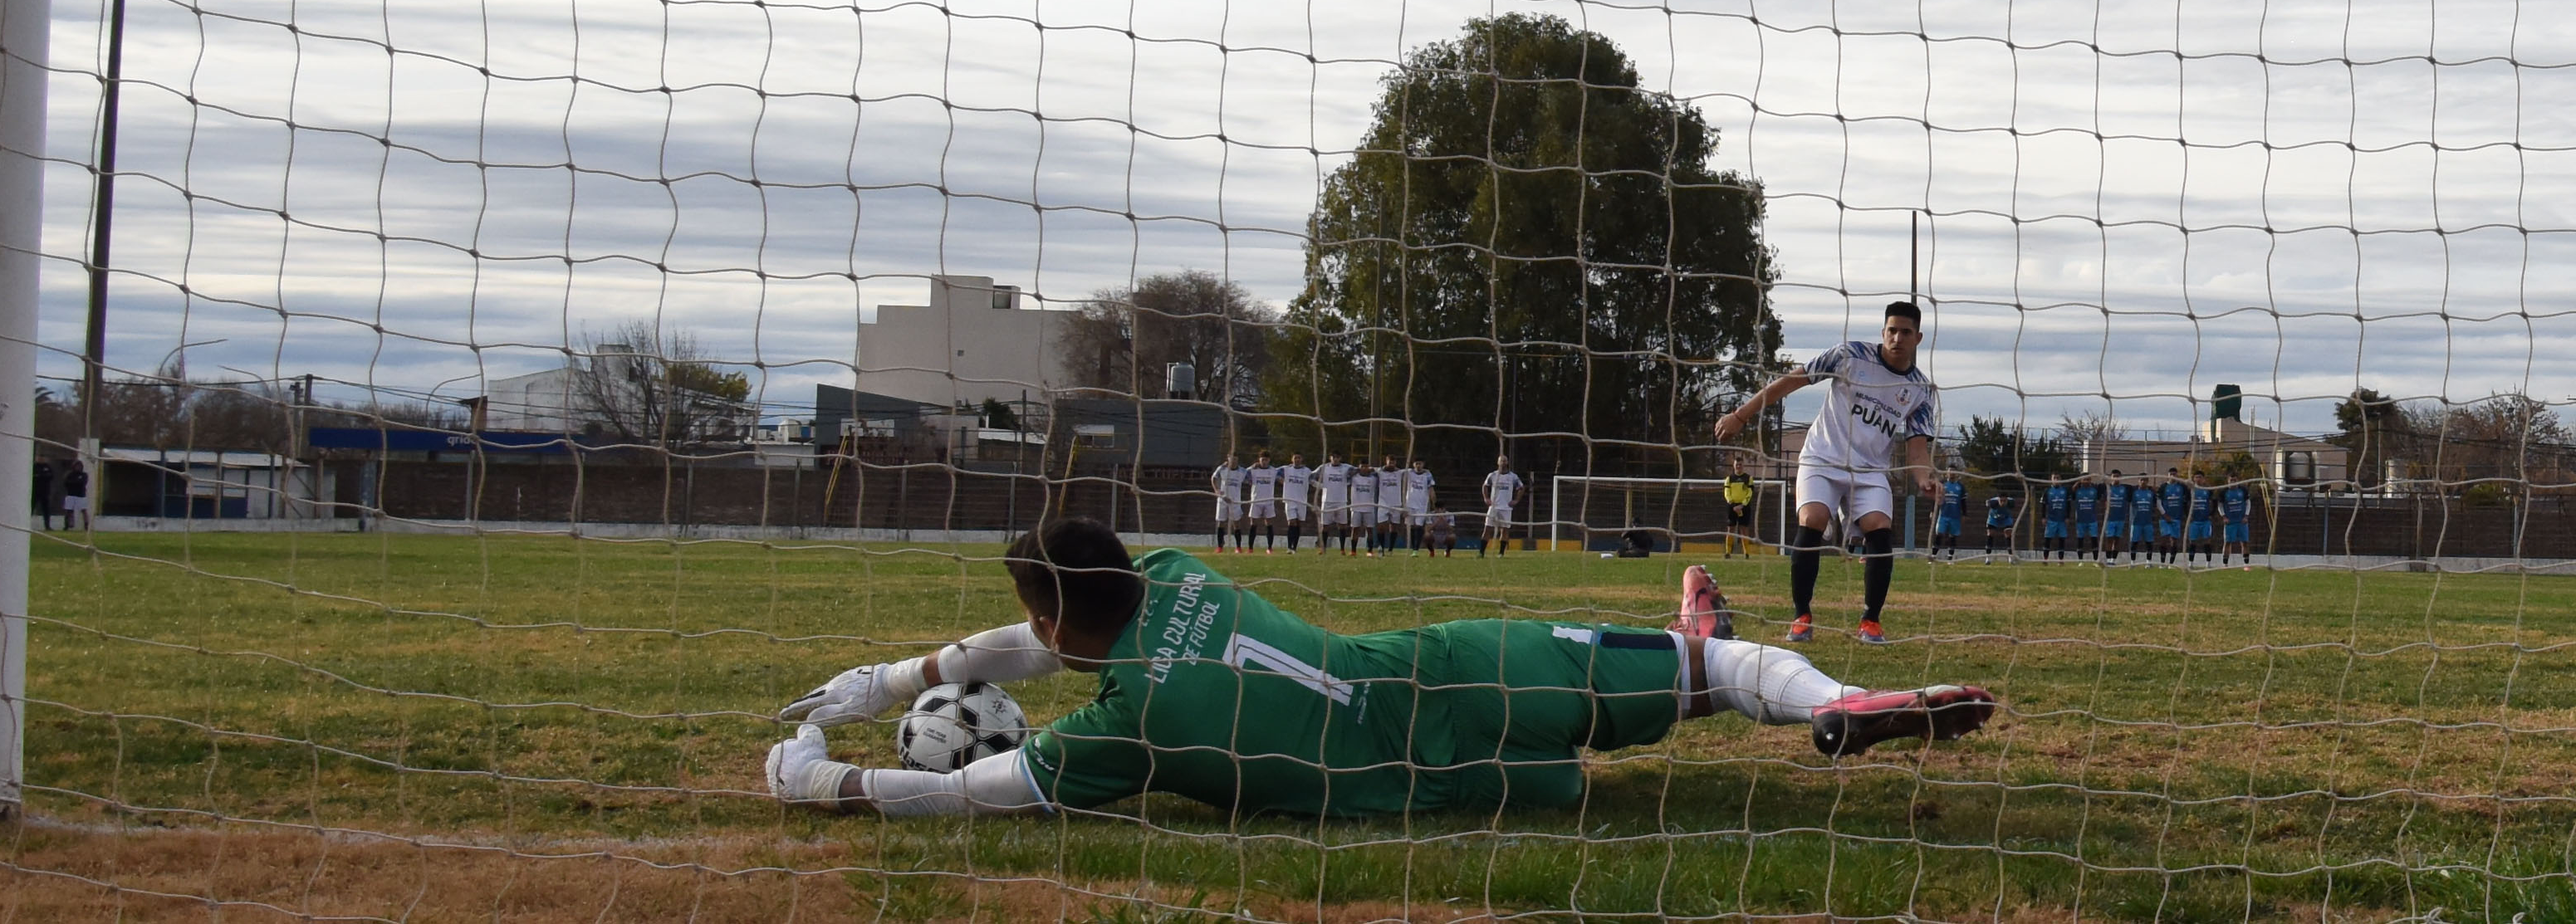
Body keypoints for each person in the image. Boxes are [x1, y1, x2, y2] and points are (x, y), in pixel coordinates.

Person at [768, 516, 1997, 819]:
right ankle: (1836, 703)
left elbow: (967, 791)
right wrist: (889, 677)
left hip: (1451, 784)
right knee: (1724, 669)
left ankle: (1689, 631)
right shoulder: (1182, 567)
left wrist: (825, 773)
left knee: (1640, 707)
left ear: (1056, 619)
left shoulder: (1123, 722)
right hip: (1451, 667)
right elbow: (1038, 635)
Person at [1712, 301, 1937, 645]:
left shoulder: (1921, 391)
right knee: (1813, 519)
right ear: (1883, 332)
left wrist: (1925, 478)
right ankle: (1802, 616)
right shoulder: (1849, 355)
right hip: (1822, 457)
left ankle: (1871, 622)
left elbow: (1918, 447)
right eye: (1891, 330)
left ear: (1918, 338)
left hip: (1870, 470)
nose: (1897, 338)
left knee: (1879, 528)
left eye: (1905, 332)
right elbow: (1790, 381)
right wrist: (1741, 415)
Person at [1481, 456, 1524, 557]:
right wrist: (1486, 498)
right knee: (1487, 528)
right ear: (1498, 462)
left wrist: (1516, 500)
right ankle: (1481, 552)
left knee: (1504, 530)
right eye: (1501, 460)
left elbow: (1521, 487)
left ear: (1507, 462)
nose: (1503, 462)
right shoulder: (1492, 475)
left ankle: (1501, 553)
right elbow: (1485, 486)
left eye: (1505, 460)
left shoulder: (1513, 477)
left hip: (1506, 508)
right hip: (1494, 507)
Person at [1316, 453, 1354, 552]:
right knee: (1325, 526)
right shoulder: (1324, 468)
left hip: (1341, 501)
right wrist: (1320, 486)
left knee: (1342, 525)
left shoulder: (1346, 467)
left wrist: (1348, 482)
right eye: (1334, 457)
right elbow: (1311, 476)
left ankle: (1342, 549)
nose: (1336, 459)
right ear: (1330, 458)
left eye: (1338, 457)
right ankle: (1323, 548)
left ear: (1340, 458)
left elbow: (1358, 471)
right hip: (1327, 501)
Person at [1277, 452, 1314, 553]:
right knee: (1291, 522)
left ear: (1302, 459)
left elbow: (1313, 480)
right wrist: (1280, 479)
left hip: (1302, 501)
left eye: (1299, 458)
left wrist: (1323, 486)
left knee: (1298, 523)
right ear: (1292, 459)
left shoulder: (1307, 471)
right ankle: (1289, 547)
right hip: (1290, 500)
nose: (1297, 460)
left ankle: (1295, 547)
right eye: (1295, 458)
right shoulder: (1286, 469)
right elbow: (1273, 472)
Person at [1243, 453, 1278, 552]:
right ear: (1259, 460)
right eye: (1262, 460)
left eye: (1266, 460)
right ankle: (1250, 548)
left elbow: (1284, 474)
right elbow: (1242, 473)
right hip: (1256, 501)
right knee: (1253, 524)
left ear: (1269, 460)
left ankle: (1270, 548)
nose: (1264, 462)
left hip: (1269, 502)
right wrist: (1251, 466)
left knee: (1269, 524)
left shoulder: (1273, 471)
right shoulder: (1253, 470)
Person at [2157, 468, 2191, 565]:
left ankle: (2171, 563)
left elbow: (2187, 500)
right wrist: (2165, 514)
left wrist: (2187, 514)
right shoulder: (2163, 487)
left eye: (2174, 474)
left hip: (2177, 518)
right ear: (2168, 475)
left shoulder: (2182, 487)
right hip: (2165, 518)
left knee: (2174, 541)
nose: (2173, 476)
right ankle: (2162, 563)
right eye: (2171, 474)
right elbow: (2158, 502)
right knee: (2164, 540)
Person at [1210, 455, 1242, 554]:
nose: (1233, 461)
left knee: (1236, 523)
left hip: (1235, 501)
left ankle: (1238, 547)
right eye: (1231, 459)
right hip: (1223, 500)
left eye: (1235, 459)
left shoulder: (1242, 471)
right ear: (1228, 459)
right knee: (1221, 523)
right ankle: (1220, 546)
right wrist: (1217, 490)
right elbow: (1213, 478)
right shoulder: (1222, 469)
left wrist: (1256, 465)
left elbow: (1251, 476)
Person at [1931, 472, 1966, 560]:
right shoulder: (1942, 485)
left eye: (1953, 472)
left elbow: (1963, 502)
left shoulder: (1961, 487)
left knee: (1953, 536)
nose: (1952, 474)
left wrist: (1965, 514)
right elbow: (1936, 498)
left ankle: (1950, 558)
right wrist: (1932, 510)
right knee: (1940, 534)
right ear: (1947, 473)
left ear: (1956, 473)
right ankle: (1933, 556)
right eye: (1950, 472)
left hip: (1955, 516)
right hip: (1943, 515)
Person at [1721, 464, 1756, 558]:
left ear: (1742, 466)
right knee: (1730, 529)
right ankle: (1728, 552)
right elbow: (1727, 493)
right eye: (1737, 465)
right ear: (1734, 466)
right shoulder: (1729, 479)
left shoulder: (1748, 478)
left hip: (1744, 507)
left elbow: (1750, 493)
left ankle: (1746, 553)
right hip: (1732, 507)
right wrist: (1733, 505)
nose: (1739, 467)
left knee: (1744, 529)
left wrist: (1742, 505)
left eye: (1740, 465)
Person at [1374, 456, 1406, 556]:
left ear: (1395, 462)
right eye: (1389, 462)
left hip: (1396, 503)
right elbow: (1369, 469)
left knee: (1394, 527)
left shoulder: (1399, 473)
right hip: (1383, 503)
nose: (1391, 464)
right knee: (1381, 526)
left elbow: (1411, 471)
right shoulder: (1380, 472)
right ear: (1386, 462)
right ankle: (1381, 548)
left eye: (1393, 462)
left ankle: (1391, 549)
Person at [1404, 460, 1437, 553]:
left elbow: (1431, 489)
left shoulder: (1427, 475)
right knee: (1411, 527)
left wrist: (1433, 501)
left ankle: (1416, 549)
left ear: (1423, 464)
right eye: (1416, 463)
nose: (1418, 465)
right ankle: (1412, 546)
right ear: (1413, 464)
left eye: (1420, 463)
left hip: (1422, 505)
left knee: (1419, 527)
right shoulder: (1409, 472)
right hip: (1410, 504)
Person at [1348, 462, 1379, 555]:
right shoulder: (1354, 478)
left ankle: (1370, 551)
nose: (1365, 469)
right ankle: (1353, 551)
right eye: (1362, 467)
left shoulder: (1373, 479)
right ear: (1359, 467)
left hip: (1369, 508)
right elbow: (1348, 474)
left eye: (1366, 467)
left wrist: (1373, 469)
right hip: (1356, 508)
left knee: (1369, 530)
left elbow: (1381, 473)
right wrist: (1356, 470)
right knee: (1355, 529)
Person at [2127, 476, 2159, 565]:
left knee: (2149, 542)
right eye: (2141, 480)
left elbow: (2156, 503)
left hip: (2148, 522)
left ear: (2148, 481)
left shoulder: (2151, 493)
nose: (2143, 482)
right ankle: (2132, 562)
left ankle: (2148, 562)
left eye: (2145, 480)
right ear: (2138, 481)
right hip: (2136, 522)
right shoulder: (2133, 492)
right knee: (2134, 542)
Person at [2074, 474, 2104, 564]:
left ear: (2091, 480)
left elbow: (2101, 495)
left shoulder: (2094, 490)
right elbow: (2073, 489)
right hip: (2080, 520)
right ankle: (2080, 561)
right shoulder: (2078, 490)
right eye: (2084, 480)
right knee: (2080, 540)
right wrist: (2078, 482)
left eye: (2088, 480)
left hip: (2092, 520)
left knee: (2094, 539)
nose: (2086, 481)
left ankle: (2096, 560)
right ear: (2081, 480)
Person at [2101, 471, 2131, 563]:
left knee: (2117, 539)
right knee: (2109, 539)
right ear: (2111, 477)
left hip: (2120, 518)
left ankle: (2113, 560)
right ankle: (2108, 559)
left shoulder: (2125, 489)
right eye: (2114, 476)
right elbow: (2104, 501)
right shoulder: (2108, 488)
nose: (2116, 478)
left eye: (2118, 476)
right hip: (2110, 519)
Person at [2218, 481, 2251, 564]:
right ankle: (2225, 564)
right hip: (2230, 522)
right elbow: (2220, 506)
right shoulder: (2224, 492)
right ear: (2228, 480)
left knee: (2245, 542)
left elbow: (2248, 503)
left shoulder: (2243, 490)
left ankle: (2246, 564)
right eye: (2231, 480)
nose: (2233, 482)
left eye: (2234, 480)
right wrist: (2224, 517)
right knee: (2227, 542)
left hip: (2242, 521)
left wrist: (2246, 516)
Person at [2040, 475, 2070, 560]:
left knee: (2062, 539)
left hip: (2062, 520)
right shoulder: (2047, 491)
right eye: (2055, 478)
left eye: (2058, 478)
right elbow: (2043, 505)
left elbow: (2068, 505)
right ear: (2051, 480)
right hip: (2051, 520)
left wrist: (2068, 517)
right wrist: (2043, 517)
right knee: (2047, 539)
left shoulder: (2065, 491)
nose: (2056, 480)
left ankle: (2061, 560)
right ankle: (2045, 559)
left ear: (2061, 479)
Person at [1981, 493, 2015, 563]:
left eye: (2004, 501)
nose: (2002, 503)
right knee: (1990, 534)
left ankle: (2011, 558)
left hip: (2006, 518)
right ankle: (1988, 558)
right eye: (2001, 501)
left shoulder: (2011, 502)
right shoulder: (1993, 502)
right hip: (1994, 518)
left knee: (2008, 535)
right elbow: (1987, 503)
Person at [60, 459, 91, 532]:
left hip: (81, 495)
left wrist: (74, 483)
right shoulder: (69, 474)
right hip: (71, 495)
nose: (78, 467)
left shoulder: (84, 475)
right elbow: (66, 483)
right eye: (77, 466)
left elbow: (83, 483)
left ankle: (86, 525)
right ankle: (66, 525)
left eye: (80, 466)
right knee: (69, 511)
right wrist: (75, 483)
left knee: (84, 511)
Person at [32, 459, 55, 533]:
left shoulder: (47, 467)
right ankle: (26, 524)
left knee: (46, 510)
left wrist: (41, 476)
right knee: (31, 508)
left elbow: (51, 476)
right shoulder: (34, 466)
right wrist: (42, 476)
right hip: (35, 491)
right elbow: (33, 476)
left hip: (45, 492)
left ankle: (47, 525)